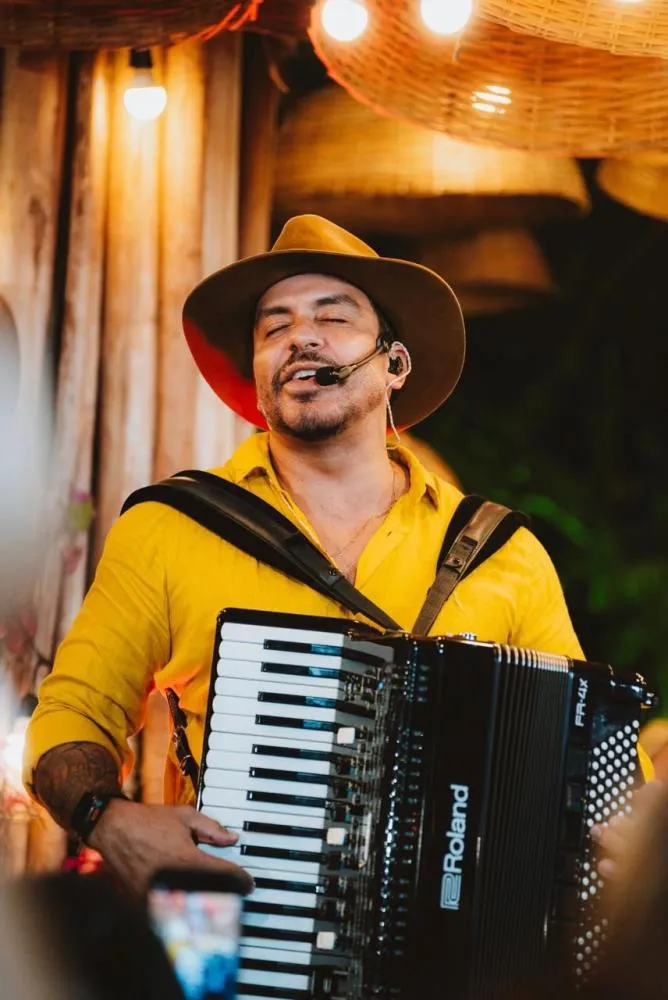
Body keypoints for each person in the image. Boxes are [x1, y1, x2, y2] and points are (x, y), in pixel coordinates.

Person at [22, 214, 652, 893]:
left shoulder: (503, 553)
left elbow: (588, 756)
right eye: (274, 327)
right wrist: (108, 819)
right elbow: (71, 716)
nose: (301, 337)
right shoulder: (172, 528)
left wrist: (629, 848)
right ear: (258, 372)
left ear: (394, 364)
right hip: (240, 932)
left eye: (334, 317)